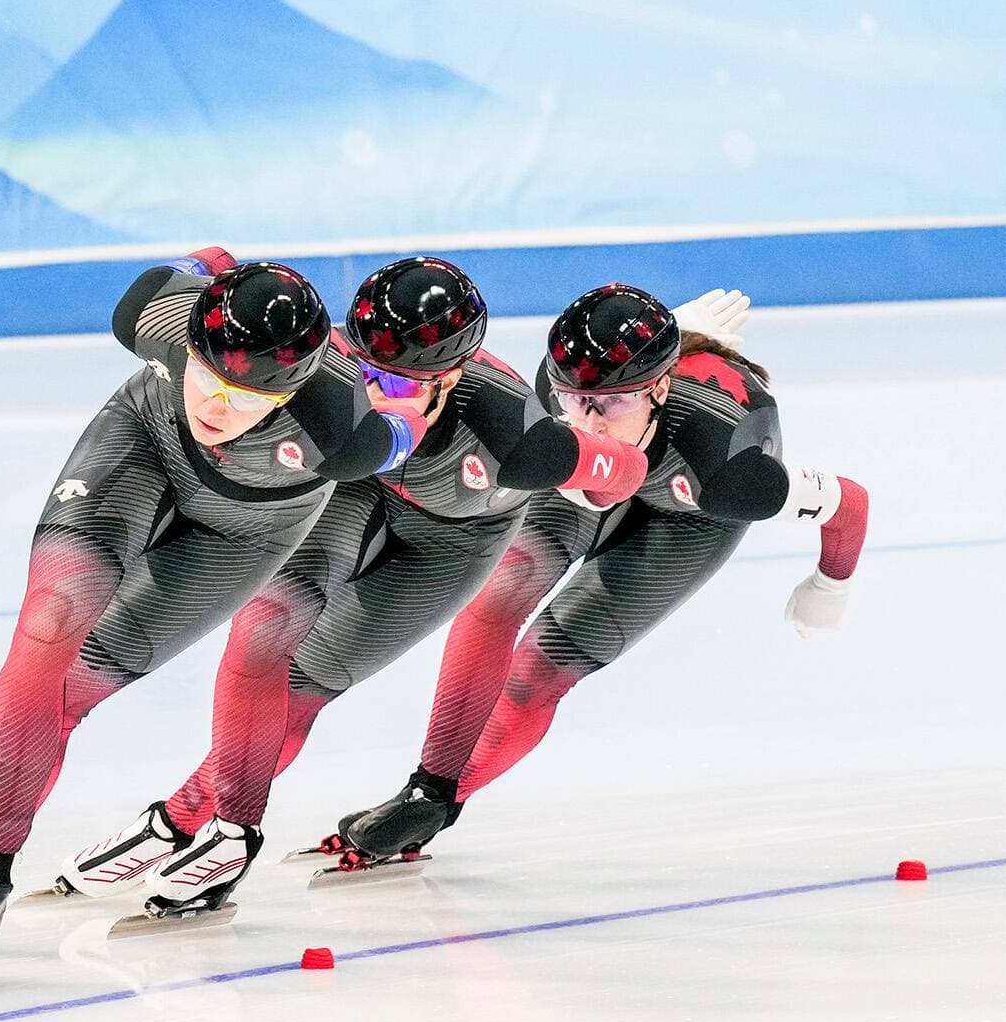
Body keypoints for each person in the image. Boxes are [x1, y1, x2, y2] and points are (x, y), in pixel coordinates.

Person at [0, 248, 430, 981]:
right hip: (142, 445)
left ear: (292, 395)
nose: (215, 403)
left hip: (245, 530)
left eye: (246, 396)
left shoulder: (342, 425)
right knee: (50, 622)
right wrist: (213, 262)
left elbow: (406, 433)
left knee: (70, 696)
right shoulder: (152, 316)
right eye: (205, 372)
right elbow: (202, 262)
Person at [45, 265, 751, 898]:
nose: (375, 396)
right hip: (362, 490)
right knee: (266, 625)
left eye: (400, 385)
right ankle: (192, 823)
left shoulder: (519, 431)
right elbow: (186, 294)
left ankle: (208, 816)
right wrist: (214, 269)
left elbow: (617, 477)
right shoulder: (326, 373)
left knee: (313, 680)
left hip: (453, 540)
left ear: (449, 379)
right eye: (364, 373)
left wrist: (435, 787)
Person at [330, 281, 870, 861]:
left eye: (609, 404)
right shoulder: (556, 403)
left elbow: (851, 502)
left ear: (659, 389)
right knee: (497, 595)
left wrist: (829, 584)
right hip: (594, 474)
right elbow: (584, 428)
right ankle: (428, 788)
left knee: (542, 666)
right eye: (574, 401)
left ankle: (439, 802)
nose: (587, 421)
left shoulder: (732, 470)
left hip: (689, 513)